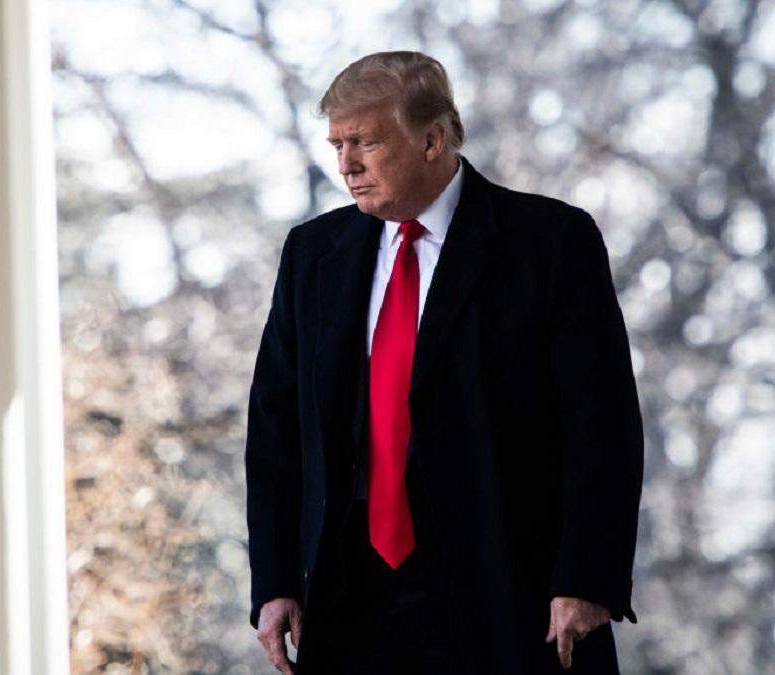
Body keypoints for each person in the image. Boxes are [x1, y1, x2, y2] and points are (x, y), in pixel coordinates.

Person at [244, 51, 644, 674]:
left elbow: (602, 422)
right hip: (350, 602)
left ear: (432, 140)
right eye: (338, 145)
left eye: (366, 142)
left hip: (512, 595)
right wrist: (274, 583)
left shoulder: (549, 241)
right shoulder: (313, 254)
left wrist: (586, 577)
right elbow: (274, 430)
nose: (346, 165)